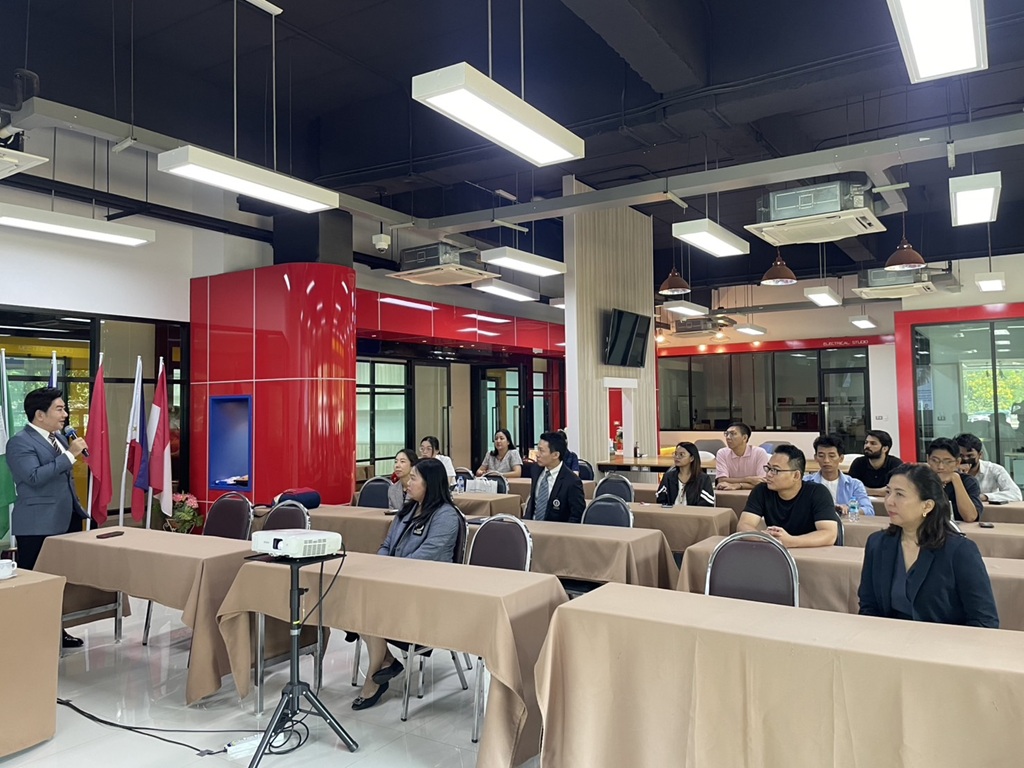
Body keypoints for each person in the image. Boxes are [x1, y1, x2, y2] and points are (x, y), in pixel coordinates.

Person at [352, 458, 463, 710]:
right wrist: (378, 567)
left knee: (369, 606)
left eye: (414, 478)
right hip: (396, 584)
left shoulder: (446, 516)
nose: (408, 482)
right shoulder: (408, 510)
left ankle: (374, 677)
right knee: (358, 596)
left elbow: (423, 558)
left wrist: (387, 572)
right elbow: (386, 545)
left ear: (429, 484)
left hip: (425, 593)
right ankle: (386, 660)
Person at [857, 463, 998, 628]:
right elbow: (868, 605)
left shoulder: (959, 551)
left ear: (927, 506)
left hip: (945, 641)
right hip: (889, 637)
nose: (889, 501)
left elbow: (984, 620)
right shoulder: (877, 543)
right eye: (888, 492)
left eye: (900, 494)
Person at [5, 387, 90, 648]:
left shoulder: (60, 438)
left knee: (59, 579)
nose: (65, 414)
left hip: (67, 518)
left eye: (64, 408)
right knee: (36, 581)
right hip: (37, 524)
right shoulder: (20, 442)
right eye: (59, 409)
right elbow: (34, 477)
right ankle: (28, 636)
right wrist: (70, 455)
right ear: (40, 414)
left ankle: (56, 631)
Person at [738, 445, 838, 548]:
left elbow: (829, 534)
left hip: (812, 551)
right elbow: (743, 525)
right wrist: (766, 539)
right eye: (768, 468)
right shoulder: (762, 490)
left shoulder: (818, 492)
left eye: (775, 470)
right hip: (776, 551)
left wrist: (791, 541)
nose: (768, 474)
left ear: (796, 475)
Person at [804, 434, 873, 516]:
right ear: (815, 458)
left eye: (831, 456)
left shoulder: (854, 484)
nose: (826, 460)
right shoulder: (805, 482)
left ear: (841, 458)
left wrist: (849, 509)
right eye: (821, 456)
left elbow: (869, 510)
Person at [524, 431, 586, 523]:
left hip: (558, 529)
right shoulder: (535, 469)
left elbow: (577, 516)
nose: (537, 455)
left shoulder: (572, 481)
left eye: (541, 451)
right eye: (538, 449)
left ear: (556, 455)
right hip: (532, 526)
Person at [954, 432, 1022, 503]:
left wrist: (985, 496)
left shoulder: (995, 469)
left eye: (970, 456)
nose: (965, 459)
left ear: (980, 455)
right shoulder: (950, 471)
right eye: (961, 456)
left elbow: (1016, 494)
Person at [926, 438, 982, 522]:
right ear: (928, 459)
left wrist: (955, 479)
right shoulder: (919, 480)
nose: (941, 467)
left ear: (957, 462)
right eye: (935, 460)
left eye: (947, 462)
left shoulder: (968, 481)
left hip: (958, 528)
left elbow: (970, 517)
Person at [655, 442, 715, 507]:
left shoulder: (703, 479)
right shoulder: (668, 477)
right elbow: (661, 500)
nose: (677, 457)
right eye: (675, 454)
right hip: (671, 512)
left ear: (691, 458)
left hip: (694, 513)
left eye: (681, 454)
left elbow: (707, 504)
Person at [715, 423, 769, 491]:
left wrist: (738, 485)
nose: (728, 437)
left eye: (732, 434)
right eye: (726, 434)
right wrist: (748, 479)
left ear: (744, 438)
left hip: (754, 493)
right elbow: (721, 480)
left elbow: (762, 482)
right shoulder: (722, 453)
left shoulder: (759, 453)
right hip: (729, 492)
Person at [848, 430, 902, 497]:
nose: (867, 446)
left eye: (873, 443)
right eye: (866, 442)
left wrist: (865, 490)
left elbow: (897, 490)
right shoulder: (858, 463)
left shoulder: (895, 464)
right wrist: (883, 491)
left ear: (885, 449)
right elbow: (851, 488)